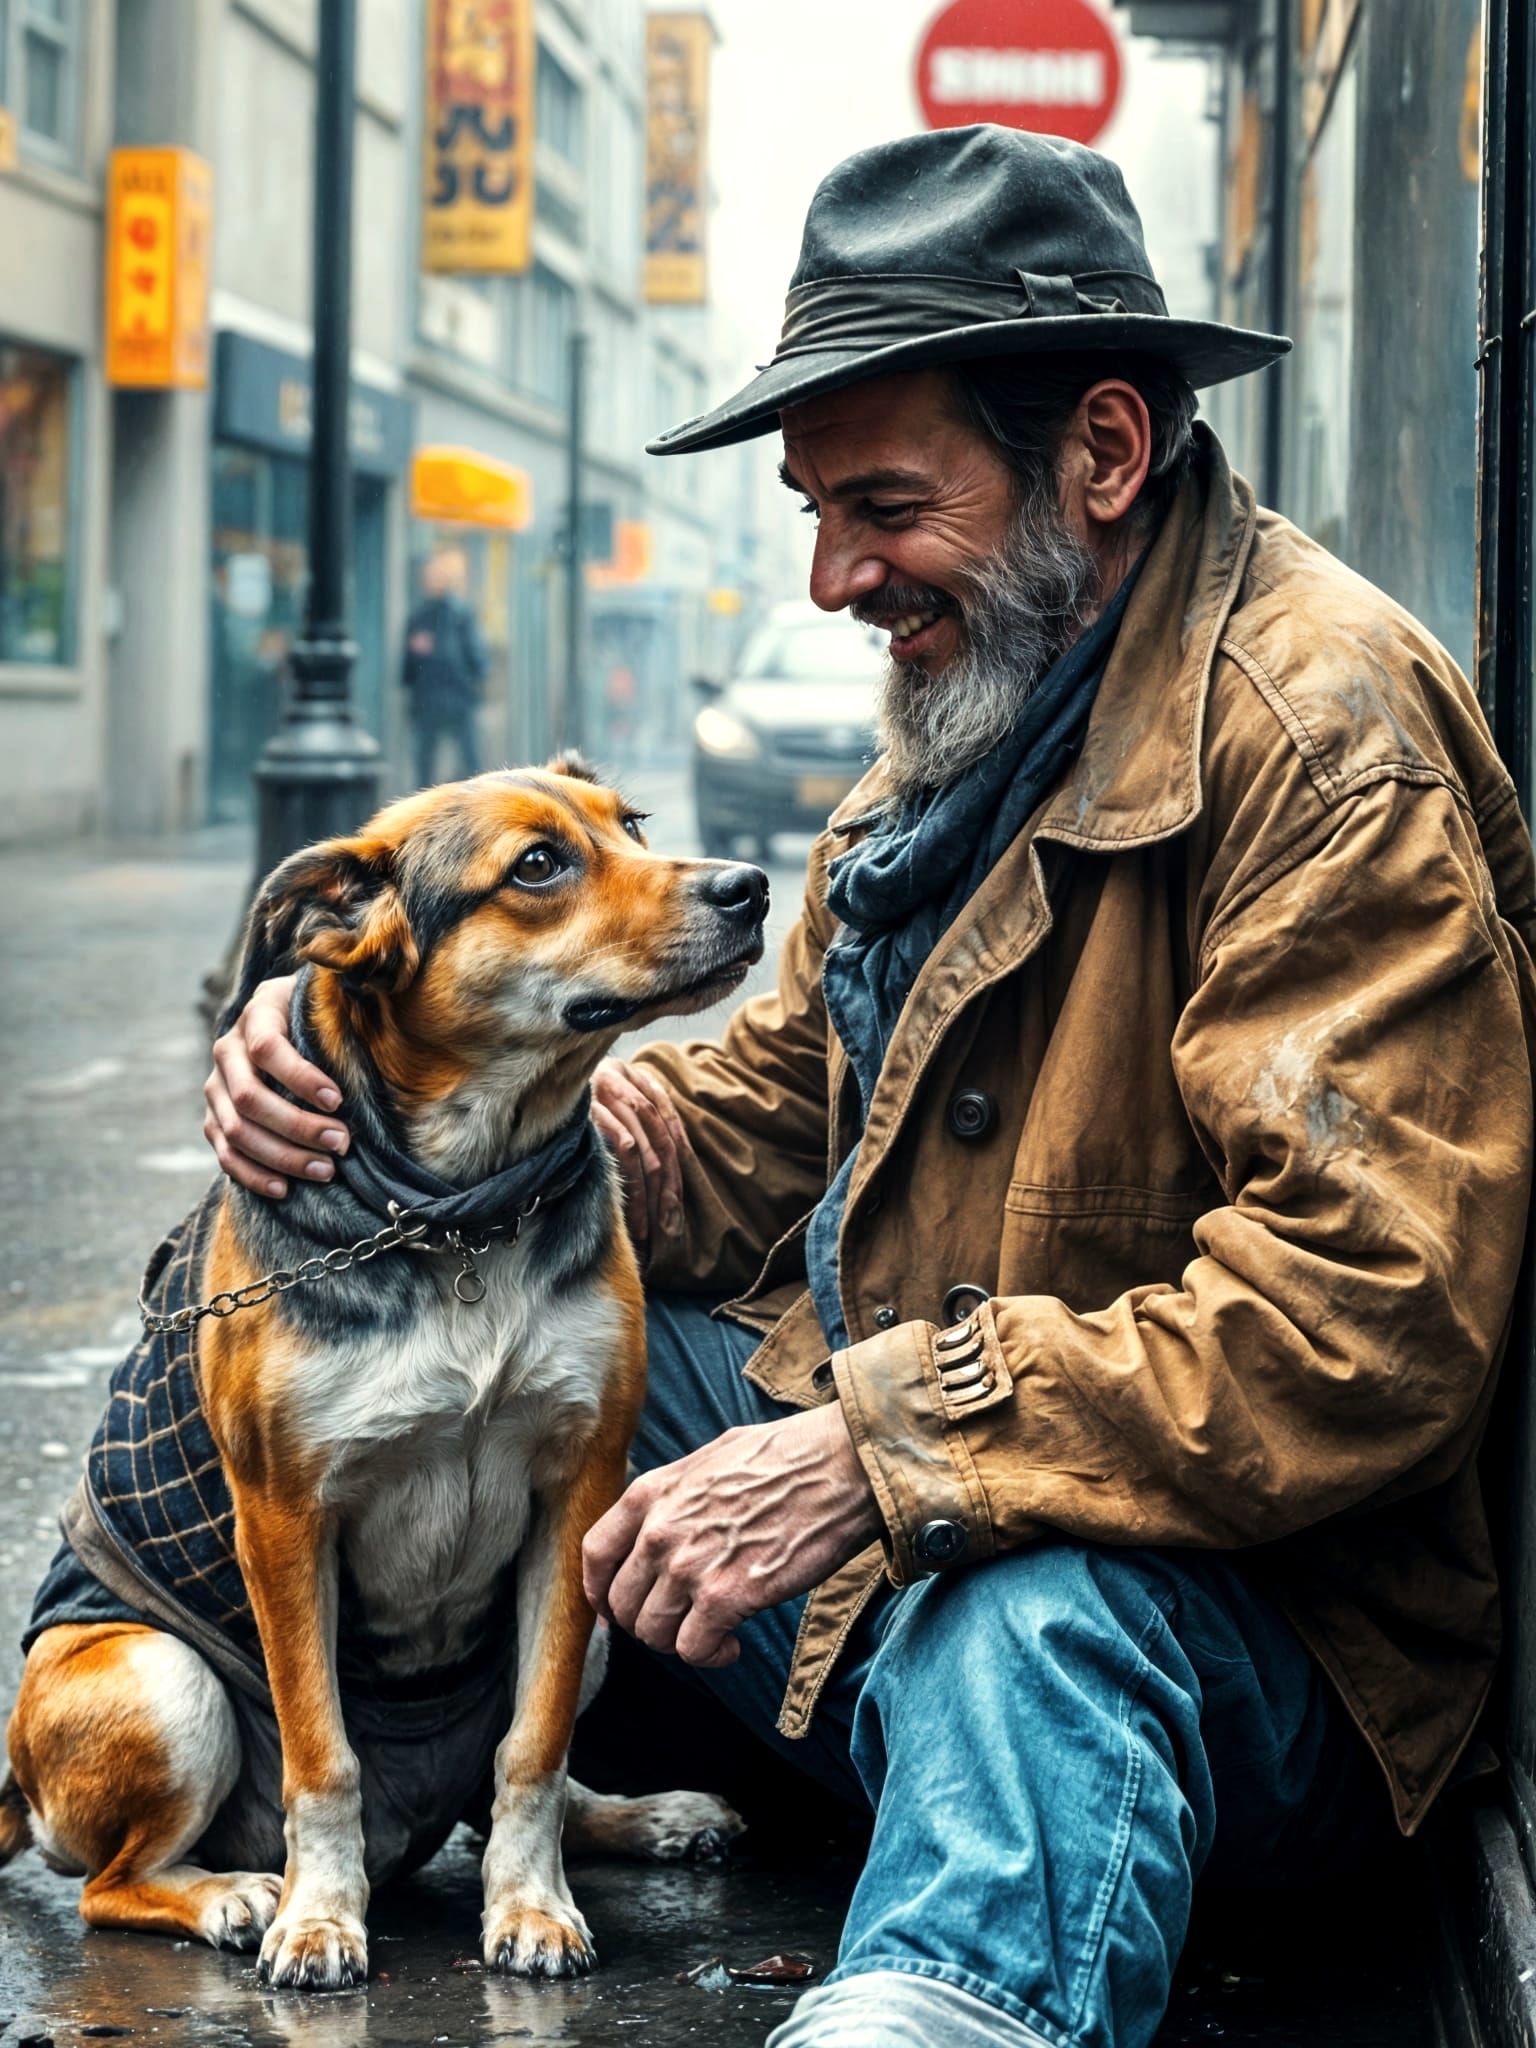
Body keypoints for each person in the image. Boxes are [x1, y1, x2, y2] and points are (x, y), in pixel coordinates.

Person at [203, 127, 1536, 2048]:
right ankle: (202, 1754)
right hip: (914, 1512)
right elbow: (751, 1124)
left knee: (1029, 1605)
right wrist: (364, 1099)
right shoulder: (970, 716)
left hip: (1238, 1630)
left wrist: (867, 1450)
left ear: (1100, 451)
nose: (834, 575)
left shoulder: (1319, 744)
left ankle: (941, 1992)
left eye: (885, 507)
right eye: (815, 511)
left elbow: (1367, 1317)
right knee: (382, 1320)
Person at [402, 546, 487, 786]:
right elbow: (408, 667)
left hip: (452, 698)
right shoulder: (422, 616)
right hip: (435, 699)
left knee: (464, 760)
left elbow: (476, 657)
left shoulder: (457, 615)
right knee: (430, 762)